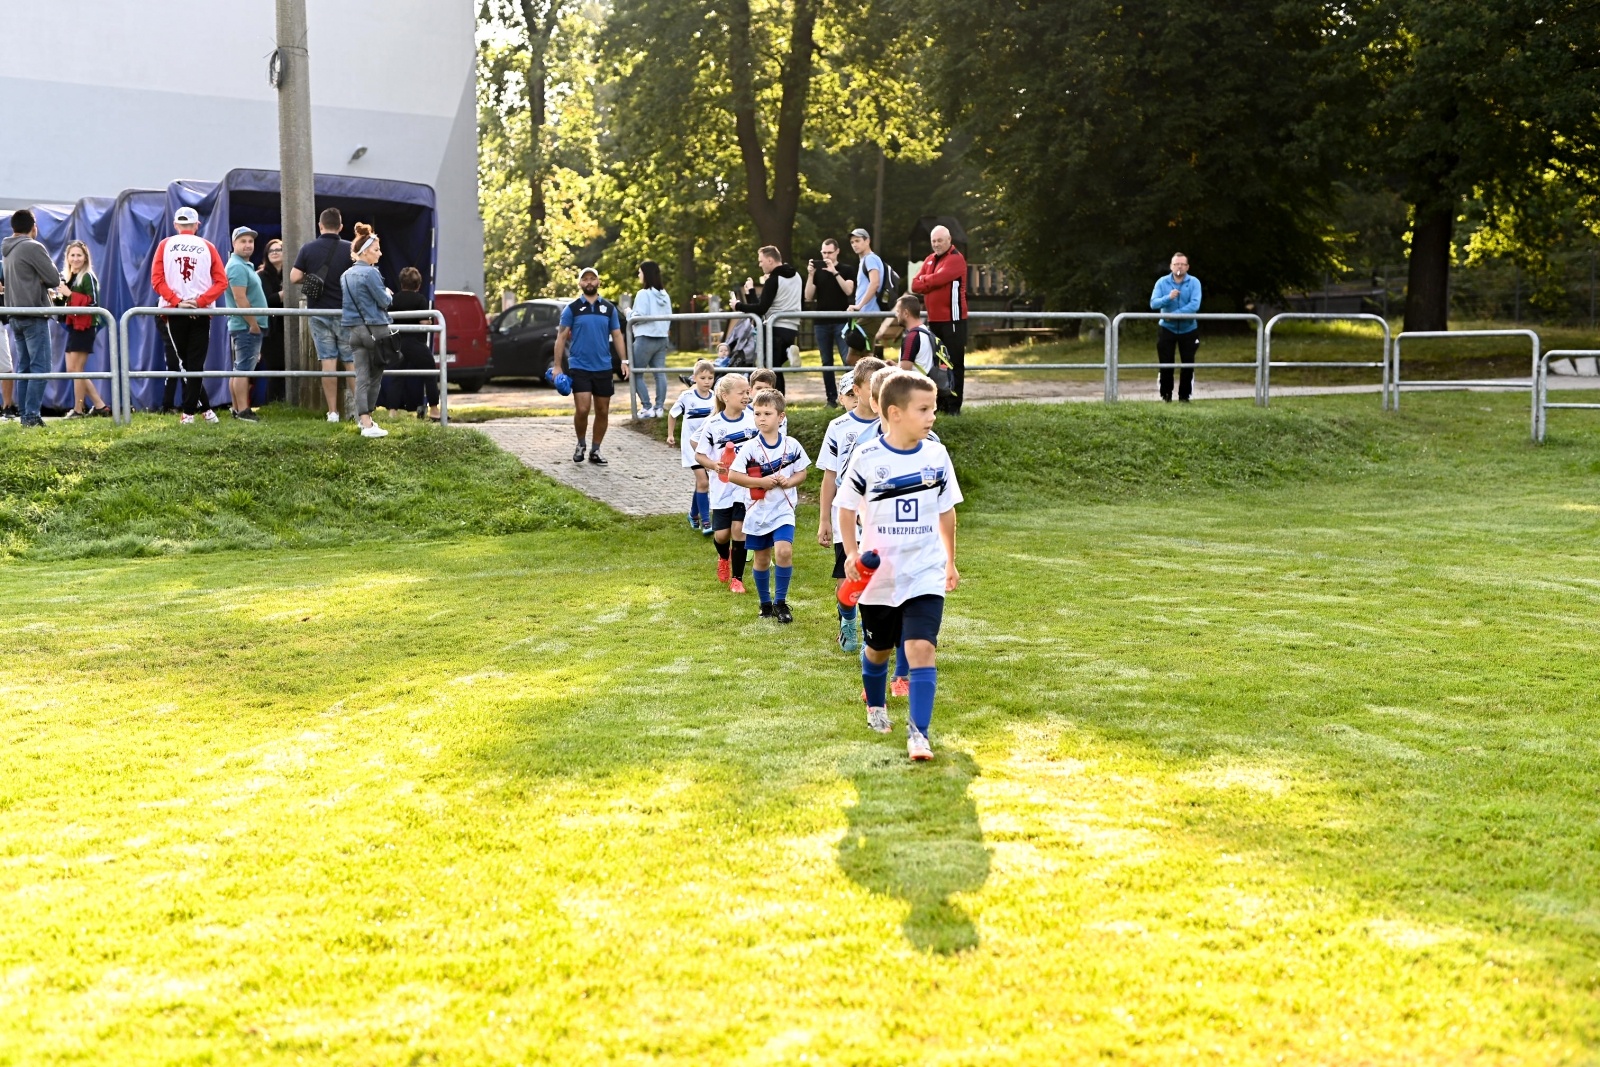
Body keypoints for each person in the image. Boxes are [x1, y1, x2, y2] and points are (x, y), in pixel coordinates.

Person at [836, 372, 963, 761]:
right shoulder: (868, 457)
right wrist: (851, 552)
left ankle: (918, 733)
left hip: (924, 570)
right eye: (924, 409)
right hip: (880, 575)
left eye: (934, 409)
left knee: (922, 648)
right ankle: (876, 708)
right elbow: (844, 508)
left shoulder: (937, 456)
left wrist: (950, 561)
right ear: (895, 412)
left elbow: (947, 513)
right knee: (879, 648)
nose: (932, 417)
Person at [817, 355, 887, 652]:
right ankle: (846, 618)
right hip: (844, 517)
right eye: (872, 387)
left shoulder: (892, 424)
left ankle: (873, 634)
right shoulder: (839, 426)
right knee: (848, 575)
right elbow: (830, 476)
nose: (878, 394)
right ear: (856, 390)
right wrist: (823, 520)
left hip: (880, 517)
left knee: (878, 580)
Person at [728, 388, 810, 623]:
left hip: (783, 510)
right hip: (757, 512)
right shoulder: (750, 447)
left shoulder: (792, 445)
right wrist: (759, 482)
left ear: (781, 417)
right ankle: (765, 603)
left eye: (767, 413)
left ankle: (781, 603)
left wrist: (790, 481)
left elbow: (802, 472)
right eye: (757, 414)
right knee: (762, 559)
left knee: (784, 551)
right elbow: (733, 475)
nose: (761, 418)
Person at [151, 206, 229, 424]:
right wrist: (200, 302)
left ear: (176, 225)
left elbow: (157, 280)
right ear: (197, 225)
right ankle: (204, 410)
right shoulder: (208, 246)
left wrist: (178, 302)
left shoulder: (165, 245)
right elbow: (221, 282)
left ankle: (189, 413)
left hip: (174, 310)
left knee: (187, 363)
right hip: (201, 311)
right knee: (194, 363)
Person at [554, 266, 629, 465]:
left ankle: (595, 450)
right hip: (579, 366)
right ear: (580, 284)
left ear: (598, 282)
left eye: (592, 279)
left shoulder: (609, 308)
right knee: (583, 409)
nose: (589, 282)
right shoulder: (572, 308)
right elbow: (561, 337)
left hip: (603, 366)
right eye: (585, 279)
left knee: (603, 410)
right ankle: (580, 443)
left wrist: (624, 360)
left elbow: (617, 335)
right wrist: (557, 367)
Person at [693, 372, 758, 593]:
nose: (746, 397)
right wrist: (713, 465)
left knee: (739, 531)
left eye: (748, 392)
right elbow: (699, 455)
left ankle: (737, 579)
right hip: (722, 488)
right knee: (722, 535)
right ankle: (723, 558)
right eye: (741, 393)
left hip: (745, 488)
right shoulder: (713, 424)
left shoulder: (753, 419)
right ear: (725, 396)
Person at [2, 210, 67, 428]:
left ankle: (25, 416)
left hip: (15, 315)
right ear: (34, 226)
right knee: (40, 367)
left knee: (25, 369)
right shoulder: (32, 246)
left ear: (13, 228)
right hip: (33, 314)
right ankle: (30, 416)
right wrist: (40, 278)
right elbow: (53, 278)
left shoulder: (8, 249)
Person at [290, 207, 354, 422]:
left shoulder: (308, 249)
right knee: (351, 362)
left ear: (320, 225)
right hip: (345, 312)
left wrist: (311, 277)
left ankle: (333, 412)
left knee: (328, 361)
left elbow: (294, 277)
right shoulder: (350, 249)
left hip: (319, 311)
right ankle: (360, 411)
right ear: (341, 227)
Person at [340, 223, 393, 439]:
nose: (379, 253)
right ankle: (368, 421)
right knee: (375, 377)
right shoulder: (371, 273)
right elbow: (383, 301)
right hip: (376, 329)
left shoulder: (345, 275)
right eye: (376, 250)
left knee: (361, 377)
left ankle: (364, 422)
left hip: (354, 331)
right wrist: (388, 293)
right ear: (364, 252)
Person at [911, 224, 968, 413]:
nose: (936, 244)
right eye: (933, 241)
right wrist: (930, 281)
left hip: (953, 321)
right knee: (937, 364)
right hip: (934, 321)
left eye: (940, 240)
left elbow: (936, 280)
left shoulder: (955, 259)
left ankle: (954, 407)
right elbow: (914, 285)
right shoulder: (929, 259)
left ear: (949, 240)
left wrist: (927, 282)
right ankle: (940, 404)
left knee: (953, 363)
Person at [733, 245, 801, 393]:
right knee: (774, 365)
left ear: (770, 260)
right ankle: (789, 352)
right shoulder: (796, 276)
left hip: (774, 328)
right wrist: (751, 291)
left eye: (761, 261)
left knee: (771, 369)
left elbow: (761, 309)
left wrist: (738, 305)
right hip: (792, 328)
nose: (760, 264)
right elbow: (763, 305)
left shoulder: (774, 280)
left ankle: (777, 400)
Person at [58, 240, 110, 418]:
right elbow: (64, 303)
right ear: (67, 257)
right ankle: (100, 405)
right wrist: (58, 296)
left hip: (85, 326)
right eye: (72, 255)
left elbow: (93, 302)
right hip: (74, 326)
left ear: (85, 257)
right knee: (72, 370)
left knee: (77, 370)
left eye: (79, 255)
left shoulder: (88, 276)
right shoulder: (69, 277)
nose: (75, 258)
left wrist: (69, 294)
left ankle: (78, 410)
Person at [666, 359, 717, 533]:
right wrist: (670, 435)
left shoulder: (715, 398)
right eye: (703, 377)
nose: (707, 381)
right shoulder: (687, 396)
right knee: (703, 481)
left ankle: (693, 514)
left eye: (710, 377)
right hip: (691, 446)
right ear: (694, 378)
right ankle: (706, 522)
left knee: (702, 483)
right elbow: (672, 415)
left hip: (708, 447)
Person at [223, 226, 266, 422]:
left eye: (250, 241)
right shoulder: (237, 266)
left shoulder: (243, 265)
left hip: (244, 325)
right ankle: (243, 411)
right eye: (243, 241)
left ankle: (236, 408)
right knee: (243, 370)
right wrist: (254, 324)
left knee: (239, 368)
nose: (248, 245)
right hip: (246, 326)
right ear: (234, 244)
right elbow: (240, 298)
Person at [804, 237, 854, 406]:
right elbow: (808, 296)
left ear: (837, 251)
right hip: (821, 322)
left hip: (841, 321)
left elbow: (848, 290)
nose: (826, 256)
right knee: (826, 362)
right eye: (823, 253)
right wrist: (811, 275)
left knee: (846, 360)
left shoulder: (846, 269)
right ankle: (831, 399)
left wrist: (835, 272)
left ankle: (851, 398)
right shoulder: (817, 272)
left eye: (829, 252)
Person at [1149, 252, 1202, 402]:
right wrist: (1168, 297)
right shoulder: (1162, 282)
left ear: (1187, 267)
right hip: (1167, 328)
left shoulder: (1194, 282)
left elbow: (1195, 304)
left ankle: (1184, 398)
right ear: (1171, 266)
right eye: (1176, 264)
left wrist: (1175, 314)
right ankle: (1166, 396)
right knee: (1166, 363)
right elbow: (1154, 303)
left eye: (1182, 264)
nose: (1179, 267)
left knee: (1188, 364)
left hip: (1189, 329)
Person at [389, 267, 440, 420]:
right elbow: (423, 322)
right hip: (416, 343)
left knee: (396, 377)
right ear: (418, 285)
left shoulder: (395, 299)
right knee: (430, 373)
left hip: (398, 343)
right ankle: (434, 410)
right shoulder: (420, 300)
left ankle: (392, 412)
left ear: (401, 283)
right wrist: (430, 321)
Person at [845, 228, 898, 359]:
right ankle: (879, 377)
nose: (854, 244)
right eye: (852, 242)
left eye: (857, 241)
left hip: (870, 313)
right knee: (867, 357)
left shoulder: (870, 259)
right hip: (868, 313)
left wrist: (859, 306)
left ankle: (883, 376)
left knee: (853, 359)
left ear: (867, 241)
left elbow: (875, 283)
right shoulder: (866, 260)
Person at [630, 260, 672, 417]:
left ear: (645, 274)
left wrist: (629, 313)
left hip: (645, 337)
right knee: (659, 373)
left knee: (636, 373)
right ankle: (659, 407)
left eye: (640, 272)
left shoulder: (643, 294)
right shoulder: (665, 295)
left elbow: (640, 317)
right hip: (661, 338)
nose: (638, 275)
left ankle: (647, 407)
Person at [258, 238, 286, 405]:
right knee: (275, 368)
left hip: (290, 327)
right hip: (271, 329)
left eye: (278, 249)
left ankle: (286, 402)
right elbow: (264, 301)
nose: (275, 252)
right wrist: (284, 294)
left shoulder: (291, 273)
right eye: (271, 250)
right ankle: (273, 403)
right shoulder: (260, 275)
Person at [892, 294, 936, 375]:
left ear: (906, 313)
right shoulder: (926, 331)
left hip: (915, 385)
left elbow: (904, 372)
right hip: (927, 382)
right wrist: (894, 366)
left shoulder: (911, 337)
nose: (896, 315)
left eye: (898, 311)